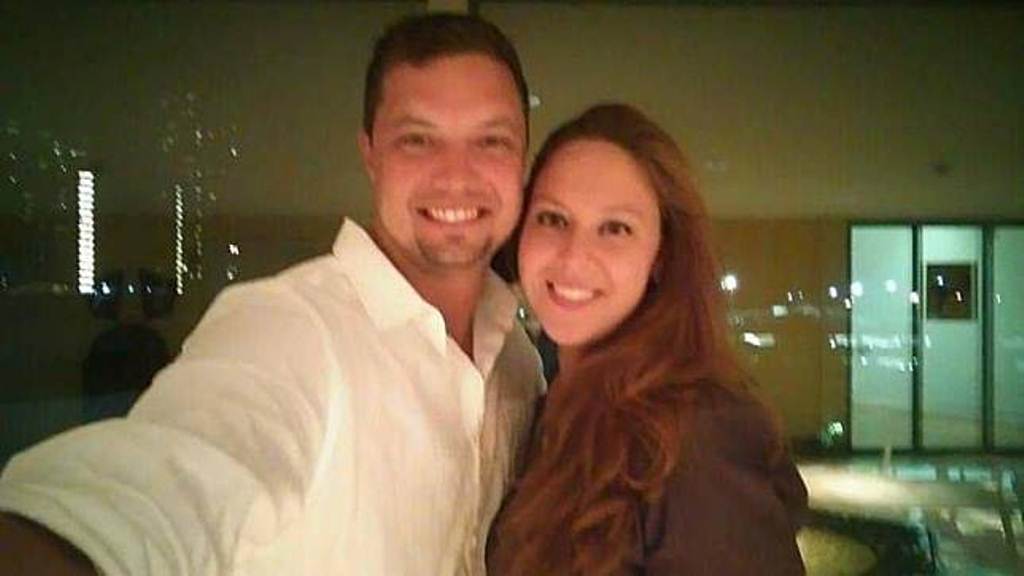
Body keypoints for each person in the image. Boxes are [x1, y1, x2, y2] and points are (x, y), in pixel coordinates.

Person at [0, 12, 544, 575]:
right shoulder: (289, 328)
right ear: (370, 155)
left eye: (491, 141)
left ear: (522, 161)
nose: (456, 176)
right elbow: (149, 491)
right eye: (418, 140)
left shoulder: (517, 364)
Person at [487, 104, 808, 575]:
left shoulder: (696, 434)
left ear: (661, 255)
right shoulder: (549, 400)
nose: (573, 257)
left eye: (615, 228)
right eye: (553, 219)